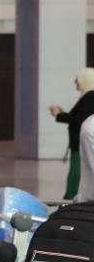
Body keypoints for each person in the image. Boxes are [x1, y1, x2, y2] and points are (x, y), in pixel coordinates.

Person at [50, 68, 94, 201]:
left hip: (81, 148)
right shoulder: (88, 97)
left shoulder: (90, 97)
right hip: (79, 146)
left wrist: (59, 115)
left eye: (78, 79)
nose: (75, 82)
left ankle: (71, 205)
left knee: (76, 176)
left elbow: (78, 120)